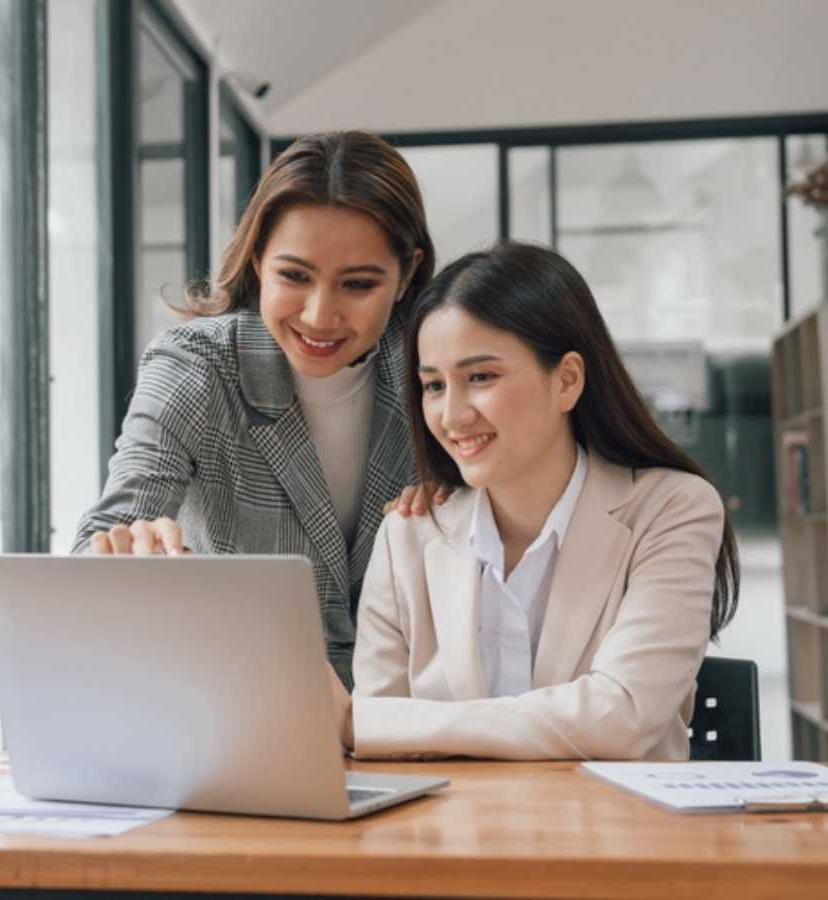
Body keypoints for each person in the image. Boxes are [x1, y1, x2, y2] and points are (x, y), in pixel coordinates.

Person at [331, 242, 741, 761]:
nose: (452, 416)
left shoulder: (672, 510)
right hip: (451, 838)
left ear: (567, 380)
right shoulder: (407, 535)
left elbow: (621, 718)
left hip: (622, 836)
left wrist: (394, 725)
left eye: (481, 377)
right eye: (434, 385)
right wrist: (381, 728)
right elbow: (381, 750)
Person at [72, 131, 435, 687]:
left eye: (358, 284)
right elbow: (104, 533)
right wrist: (125, 551)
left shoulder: (435, 366)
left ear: (406, 275)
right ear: (259, 256)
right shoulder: (196, 366)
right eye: (295, 276)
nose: (319, 316)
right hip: (239, 708)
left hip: (411, 718)